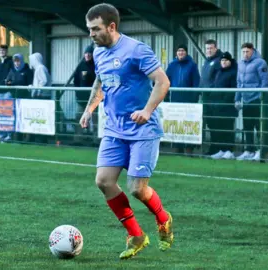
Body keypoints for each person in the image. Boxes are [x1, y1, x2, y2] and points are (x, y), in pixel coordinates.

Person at [80, 3, 173, 260]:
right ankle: (136, 235)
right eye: (89, 29)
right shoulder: (98, 52)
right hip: (114, 129)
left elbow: (162, 81)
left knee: (136, 188)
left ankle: (163, 219)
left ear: (111, 26)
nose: (91, 34)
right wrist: (90, 108)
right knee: (103, 181)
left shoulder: (136, 50)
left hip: (143, 130)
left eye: (95, 29)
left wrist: (147, 110)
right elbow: (101, 81)